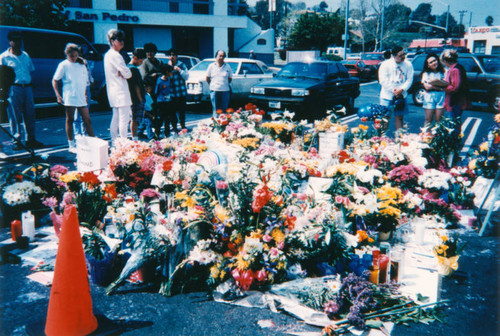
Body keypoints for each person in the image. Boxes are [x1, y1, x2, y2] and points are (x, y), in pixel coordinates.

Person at [0, 30, 43, 149]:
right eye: (15, 40)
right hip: (14, 88)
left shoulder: (26, 55)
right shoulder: (4, 57)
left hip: (27, 87)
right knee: (14, 115)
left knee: (30, 114)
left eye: (19, 40)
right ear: (10, 42)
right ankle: (16, 140)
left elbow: (30, 71)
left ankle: (31, 139)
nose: (18, 42)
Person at [52, 43, 95, 153]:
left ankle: (93, 143)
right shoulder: (63, 65)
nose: (74, 58)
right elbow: (55, 80)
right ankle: (71, 145)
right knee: (70, 119)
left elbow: (85, 81)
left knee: (87, 120)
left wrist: (85, 94)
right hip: (69, 96)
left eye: (76, 55)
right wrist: (58, 95)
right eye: (72, 56)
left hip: (81, 97)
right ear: (67, 54)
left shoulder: (82, 65)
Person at [104, 29, 132, 141]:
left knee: (115, 118)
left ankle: (115, 143)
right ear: (112, 41)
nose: (121, 42)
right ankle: (123, 144)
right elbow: (127, 73)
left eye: (122, 40)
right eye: (118, 40)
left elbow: (124, 72)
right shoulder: (116, 55)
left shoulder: (107, 55)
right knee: (123, 120)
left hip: (113, 91)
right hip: (121, 91)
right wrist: (127, 72)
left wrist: (124, 72)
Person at [378, 45, 413, 131]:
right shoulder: (385, 64)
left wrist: (402, 89)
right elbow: (382, 80)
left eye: (404, 54)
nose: (403, 57)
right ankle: (382, 138)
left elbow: (409, 79)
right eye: (400, 55)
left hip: (402, 96)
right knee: (385, 118)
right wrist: (393, 90)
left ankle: (399, 138)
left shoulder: (408, 64)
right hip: (387, 96)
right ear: (394, 56)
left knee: (400, 117)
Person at [440, 49, 469, 135]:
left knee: (454, 124)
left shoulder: (455, 70)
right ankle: (453, 142)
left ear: (445, 61)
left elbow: (455, 87)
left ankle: (454, 144)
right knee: (453, 123)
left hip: (455, 101)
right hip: (453, 100)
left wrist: (443, 86)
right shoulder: (454, 68)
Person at [127, 48, 147, 140]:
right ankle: (134, 138)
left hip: (131, 98)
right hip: (135, 99)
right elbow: (136, 86)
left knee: (135, 119)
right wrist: (140, 99)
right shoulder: (134, 70)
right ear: (135, 58)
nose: (141, 63)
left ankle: (134, 136)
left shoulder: (128, 67)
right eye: (141, 60)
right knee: (135, 120)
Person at [421, 53, 446, 125]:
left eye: (434, 60)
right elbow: (427, 87)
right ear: (428, 65)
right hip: (429, 97)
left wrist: (432, 84)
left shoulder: (443, 72)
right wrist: (439, 86)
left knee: (439, 121)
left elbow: (446, 85)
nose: (434, 63)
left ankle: (437, 136)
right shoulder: (426, 74)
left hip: (441, 97)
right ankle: (426, 136)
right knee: (428, 120)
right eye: (431, 62)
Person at [206, 50, 233, 117]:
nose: (221, 58)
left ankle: (223, 125)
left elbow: (229, 78)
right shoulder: (211, 66)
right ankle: (216, 125)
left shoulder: (228, 66)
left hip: (225, 91)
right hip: (214, 91)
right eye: (220, 56)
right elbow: (207, 78)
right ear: (216, 57)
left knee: (224, 110)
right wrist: (213, 85)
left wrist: (223, 84)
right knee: (216, 110)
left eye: (223, 56)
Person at [167, 48, 189, 130]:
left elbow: (186, 76)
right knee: (172, 111)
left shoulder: (181, 65)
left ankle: (183, 125)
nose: (172, 57)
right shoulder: (167, 66)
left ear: (177, 56)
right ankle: (174, 126)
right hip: (172, 93)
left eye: (174, 55)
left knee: (182, 111)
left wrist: (179, 70)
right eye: (170, 55)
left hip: (181, 92)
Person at [155, 64, 174, 138]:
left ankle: (167, 134)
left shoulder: (169, 79)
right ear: (166, 72)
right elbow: (156, 92)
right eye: (170, 72)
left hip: (168, 101)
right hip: (161, 102)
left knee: (168, 119)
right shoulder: (159, 81)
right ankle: (157, 134)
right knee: (160, 119)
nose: (171, 73)